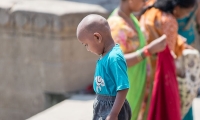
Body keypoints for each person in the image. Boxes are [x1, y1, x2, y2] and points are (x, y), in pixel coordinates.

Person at [107, 0, 167, 119]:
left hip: (138, 84)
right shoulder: (116, 24)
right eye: (142, 0)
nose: (145, 3)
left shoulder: (131, 18)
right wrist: (148, 51)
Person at [139, 0, 196, 120]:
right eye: (187, 12)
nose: (186, 15)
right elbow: (168, 56)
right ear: (177, 7)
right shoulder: (169, 21)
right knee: (160, 109)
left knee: (144, 109)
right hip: (159, 72)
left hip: (144, 67)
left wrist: (180, 42)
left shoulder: (151, 11)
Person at [77, 14, 131, 120]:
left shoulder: (114, 57)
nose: (87, 49)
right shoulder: (105, 55)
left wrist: (114, 114)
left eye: (86, 44)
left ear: (97, 37)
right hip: (102, 105)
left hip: (113, 107)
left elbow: (123, 87)